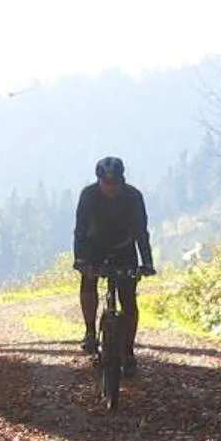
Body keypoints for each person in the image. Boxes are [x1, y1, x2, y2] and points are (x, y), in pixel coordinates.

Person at [73, 155, 156, 370]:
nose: (110, 188)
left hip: (123, 247)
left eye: (115, 183)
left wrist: (146, 262)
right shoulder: (89, 195)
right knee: (88, 281)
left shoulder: (133, 197)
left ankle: (127, 349)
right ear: (98, 181)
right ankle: (90, 331)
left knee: (128, 299)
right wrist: (81, 260)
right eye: (106, 183)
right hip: (94, 247)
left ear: (122, 180)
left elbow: (140, 231)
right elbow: (80, 231)